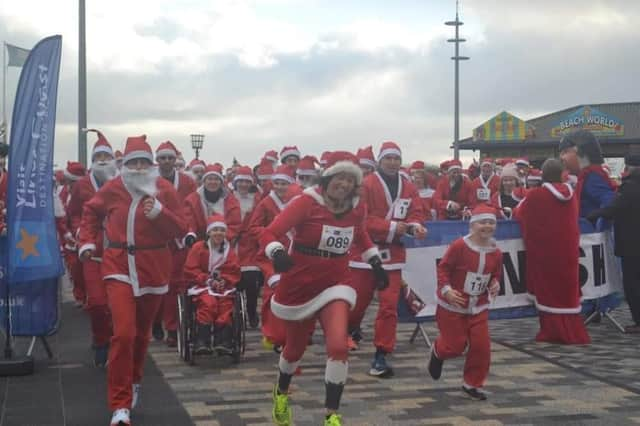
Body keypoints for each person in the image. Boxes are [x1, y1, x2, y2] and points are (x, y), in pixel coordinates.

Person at [261, 151, 388, 426]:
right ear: (327, 178)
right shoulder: (306, 203)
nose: (343, 185)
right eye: (339, 178)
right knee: (294, 350)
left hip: (336, 283)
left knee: (338, 345)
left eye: (349, 180)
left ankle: (332, 414)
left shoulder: (356, 208)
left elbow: (361, 235)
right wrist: (277, 252)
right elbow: (269, 233)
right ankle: (281, 391)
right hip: (301, 284)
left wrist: (375, 262)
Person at [78, 135, 186, 426]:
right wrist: (87, 242)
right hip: (118, 266)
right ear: (123, 164)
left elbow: (180, 227)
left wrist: (160, 214)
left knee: (141, 335)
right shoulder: (113, 189)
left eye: (143, 162)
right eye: (132, 162)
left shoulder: (163, 190)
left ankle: (135, 378)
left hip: (153, 269)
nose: (138, 168)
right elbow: (90, 212)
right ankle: (120, 405)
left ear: (151, 165)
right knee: (123, 333)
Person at [348, 141, 426, 377]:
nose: (392, 162)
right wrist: (394, 227)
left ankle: (381, 353)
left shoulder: (409, 186)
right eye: (388, 158)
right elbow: (362, 219)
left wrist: (415, 227)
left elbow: (416, 212)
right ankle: (351, 328)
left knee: (389, 305)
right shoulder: (367, 184)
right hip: (364, 253)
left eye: (396, 158)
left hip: (393, 255)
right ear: (380, 161)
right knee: (358, 302)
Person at [427, 204, 502, 401]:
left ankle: (472, 384)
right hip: (453, 306)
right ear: (473, 225)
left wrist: (495, 284)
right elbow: (443, 269)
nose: (487, 226)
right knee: (454, 346)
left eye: (491, 222)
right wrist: (447, 290)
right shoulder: (459, 246)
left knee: (481, 346)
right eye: (483, 222)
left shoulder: (496, 251)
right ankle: (438, 351)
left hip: (479, 307)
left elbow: (495, 275)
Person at [514, 158, 591, 344]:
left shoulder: (536, 195)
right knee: (566, 288)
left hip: (546, 251)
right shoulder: (572, 194)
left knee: (548, 289)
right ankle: (569, 330)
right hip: (569, 249)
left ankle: (553, 331)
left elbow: (519, 213)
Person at [68, 129, 118, 366]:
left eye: (107, 157)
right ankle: (100, 339)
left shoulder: (122, 183)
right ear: (93, 160)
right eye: (99, 158)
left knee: (117, 304)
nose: (103, 162)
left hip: (119, 251)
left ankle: (114, 341)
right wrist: (80, 233)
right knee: (97, 303)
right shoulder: (83, 185)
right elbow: (74, 214)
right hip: (93, 251)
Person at [249, 165, 302, 350]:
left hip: (295, 254)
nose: (280, 187)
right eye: (277, 183)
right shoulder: (266, 203)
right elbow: (254, 227)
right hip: (271, 256)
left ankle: (293, 332)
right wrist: (271, 234)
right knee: (274, 292)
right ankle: (273, 333)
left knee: (296, 294)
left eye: (284, 184)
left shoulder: (298, 202)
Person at [587, 153, 640, 333]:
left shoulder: (630, 187)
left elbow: (614, 208)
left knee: (632, 284)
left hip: (632, 244)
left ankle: (638, 322)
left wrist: (594, 215)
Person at [152, 141, 197, 347]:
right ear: (157, 160)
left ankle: (172, 328)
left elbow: (192, 208)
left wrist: (189, 232)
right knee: (157, 284)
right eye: (163, 158)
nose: (167, 161)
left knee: (176, 284)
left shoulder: (187, 182)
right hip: (157, 240)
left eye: (170, 158)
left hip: (180, 240)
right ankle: (155, 320)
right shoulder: (149, 180)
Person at [184, 214, 241, 354]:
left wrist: (224, 280)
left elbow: (234, 270)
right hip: (202, 285)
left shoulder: (230, 251)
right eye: (215, 230)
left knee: (225, 306)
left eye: (221, 230)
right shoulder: (198, 248)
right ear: (208, 232)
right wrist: (207, 280)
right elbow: (190, 269)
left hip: (223, 287)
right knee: (208, 304)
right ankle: (202, 340)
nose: (218, 233)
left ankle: (223, 341)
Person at [559, 129, 616, 218]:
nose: (561, 157)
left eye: (565, 152)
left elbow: (611, 203)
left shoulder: (592, 178)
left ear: (581, 153)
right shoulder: (587, 177)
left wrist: (592, 219)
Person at [232, 165, 263, 328]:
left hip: (251, 244)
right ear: (235, 182)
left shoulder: (257, 200)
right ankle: (237, 313)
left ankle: (251, 312)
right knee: (235, 282)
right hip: (233, 244)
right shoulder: (228, 199)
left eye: (246, 181)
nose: (243, 184)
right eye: (240, 181)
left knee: (252, 283)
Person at [184, 163, 241, 243]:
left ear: (221, 182)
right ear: (204, 181)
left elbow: (234, 224)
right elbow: (190, 222)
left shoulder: (231, 200)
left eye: (216, 179)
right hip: (200, 241)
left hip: (224, 241)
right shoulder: (192, 199)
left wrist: (220, 239)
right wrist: (191, 234)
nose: (213, 182)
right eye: (210, 179)